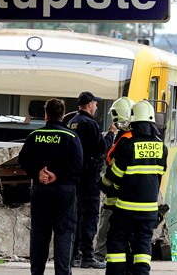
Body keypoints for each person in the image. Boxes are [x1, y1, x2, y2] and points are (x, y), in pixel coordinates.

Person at [17, 98, 84, 275]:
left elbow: (23, 160)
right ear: (62, 115)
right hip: (64, 191)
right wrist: (58, 175)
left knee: (39, 233)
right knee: (64, 233)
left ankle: (37, 272)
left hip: (40, 190)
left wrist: (38, 173)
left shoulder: (34, 136)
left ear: (46, 114)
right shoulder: (71, 136)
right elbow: (78, 164)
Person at [102, 100, 168, 275]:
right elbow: (159, 175)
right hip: (149, 210)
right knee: (143, 247)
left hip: (126, 209)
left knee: (117, 243)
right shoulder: (162, 147)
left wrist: (105, 184)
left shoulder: (128, 145)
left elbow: (114, 175)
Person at [67, 91, 117, 269]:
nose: (96, 107)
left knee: (76, 216)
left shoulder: (71, 122)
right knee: (89, 216)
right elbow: (102, 148)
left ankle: (73, 256)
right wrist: (111, 133)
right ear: (89, 105)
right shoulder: (90, 124)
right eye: (95, 104)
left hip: (74, 177)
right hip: (89, 178)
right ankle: (87, 256)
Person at [94, 97, 134, 263]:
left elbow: (114, 166)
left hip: (114, 195)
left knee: (105, 229)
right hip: (129, 197)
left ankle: (99, 257)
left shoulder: (124, 140)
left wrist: (102, 183)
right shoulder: (131, 137)